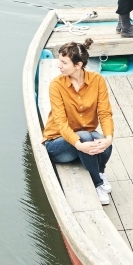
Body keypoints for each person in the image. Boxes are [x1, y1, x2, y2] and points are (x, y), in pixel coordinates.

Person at [43, 38, 114, 204]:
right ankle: (97, 182)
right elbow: (60, 123)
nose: (58, 65)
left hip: (84, 139)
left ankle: (100, 171)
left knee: (103, 142)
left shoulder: (97, 81)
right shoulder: (56, 85)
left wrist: (109, 138)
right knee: (86, 137)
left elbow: (105, 113)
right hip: (57, 143)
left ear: (78, 65)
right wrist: (78, 144)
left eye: (63, 62)